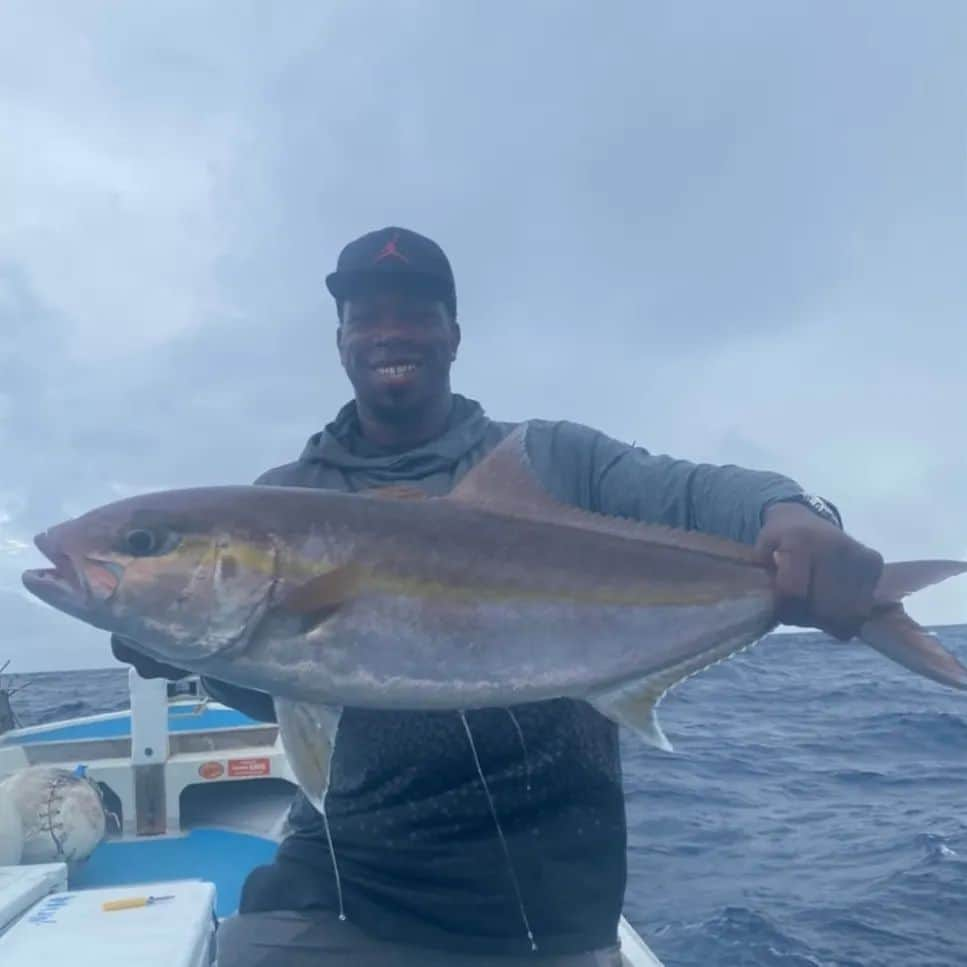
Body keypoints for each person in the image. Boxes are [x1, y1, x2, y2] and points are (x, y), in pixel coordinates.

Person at [112, 227, 883, 965]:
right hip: (342, 885)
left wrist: (794, 515)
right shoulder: (289, 496)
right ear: (340, 339)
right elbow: (280, 683)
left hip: (541, 892)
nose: (390, 331)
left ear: (452, 333)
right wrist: (174, 643)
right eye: (365, 315)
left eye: (414, 312)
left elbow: (693, 493)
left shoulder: (549, 461)